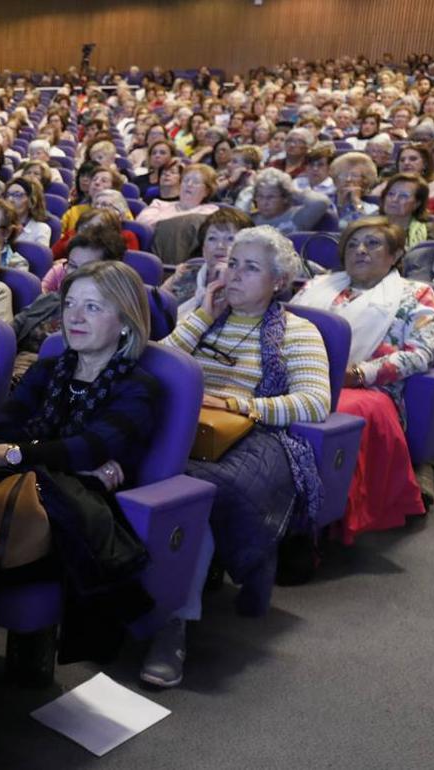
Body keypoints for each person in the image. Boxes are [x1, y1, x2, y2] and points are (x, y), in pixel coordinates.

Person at [0, 261, 162, 744]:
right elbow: (12, 430)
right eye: (70, 304)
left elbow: (87, 446)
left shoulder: (140, 388)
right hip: (23, 506)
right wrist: (58, 460)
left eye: (93, 307)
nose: (74, 317)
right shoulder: (48, 368)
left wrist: (22, 454)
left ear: (124, 319)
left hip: (68, 528)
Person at [163, 227, 330, 632]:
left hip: (257, 436)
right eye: (232, 263)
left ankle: (173, 628)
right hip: (188, 425)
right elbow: (158, 364)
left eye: (250, 268)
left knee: (191, 496)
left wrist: (241, 405)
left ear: (278, 282)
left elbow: (315, 402)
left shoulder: (297, 331)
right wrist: (202, 315)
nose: (233, 274)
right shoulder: (204, 316)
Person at [291, 217, 434, 543]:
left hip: (373, 388)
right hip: (306, 374)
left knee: (329, 411)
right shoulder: (318, 285)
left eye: (373, 244)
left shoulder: (415, 294)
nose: (360, 250)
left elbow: (421, 353)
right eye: (353, 244)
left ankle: (318, 520)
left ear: (396, 254)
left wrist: (359, 374)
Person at [162, 208, 254, 317]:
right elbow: (154, 309)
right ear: (203, 248)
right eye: (212, 238)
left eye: (230, 239)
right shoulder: (185, 273)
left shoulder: (250, 284)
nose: (220, 246)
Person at [238, 167, 332, 235]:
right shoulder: (251, 219)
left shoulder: (297, 217)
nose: (264, 202)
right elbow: (236, 216)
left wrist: (293, 191)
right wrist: (251, 188)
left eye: (271, 197)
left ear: (285, 198)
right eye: (260, 196)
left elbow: (321, 201)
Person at [135, 163, 219, 227]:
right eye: (186, 180)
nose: (189, 184)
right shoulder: (159, 204)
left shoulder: (209, 211)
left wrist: (158, 222)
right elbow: (141, 223)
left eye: (196, 182)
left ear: (207, 191)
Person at [378, 172, 430, 249]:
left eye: (403, 196)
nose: (394, 199)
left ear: (417, 203)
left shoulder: (429, 233)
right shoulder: (366, 225)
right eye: (391, 194)